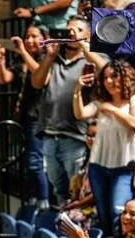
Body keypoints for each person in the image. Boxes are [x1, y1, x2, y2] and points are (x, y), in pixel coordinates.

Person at [74, 58, 135, 235]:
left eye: (114, 76)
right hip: (98, 166)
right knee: (103, 216)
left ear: (126, 77)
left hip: (125, 166)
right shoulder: (101, 102)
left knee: (118, 213)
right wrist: (77, 90)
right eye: (106, 78)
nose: (109, 81)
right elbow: (80, 114)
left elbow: (133, 123)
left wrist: (113, 110)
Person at [31, 16, 93, 207]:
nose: (72, 32)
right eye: (69, 29)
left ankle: (77, 227)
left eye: (78, 30)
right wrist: (49, 56)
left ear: (88, 35)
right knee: (58, 189)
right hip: (50, 134)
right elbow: (37, 83)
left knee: (76, 189)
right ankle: (62, 225)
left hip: (75, 135)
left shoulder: (91, 60)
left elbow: (104, 71)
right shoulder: (53, 58)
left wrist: (85, 48)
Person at [0, 25, 48, 208]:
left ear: (44, 38)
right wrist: (0, 60)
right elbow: (4, 78)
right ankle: (31, 198)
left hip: (38, 116)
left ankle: (43, 200)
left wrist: (23, 51)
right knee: (25, 160)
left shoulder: (48, 59)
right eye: (27, 36)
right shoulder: (20, 61)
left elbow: (42, 76)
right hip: (22, 115)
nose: (30, 40)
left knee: (35, 160)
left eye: (34, 36)